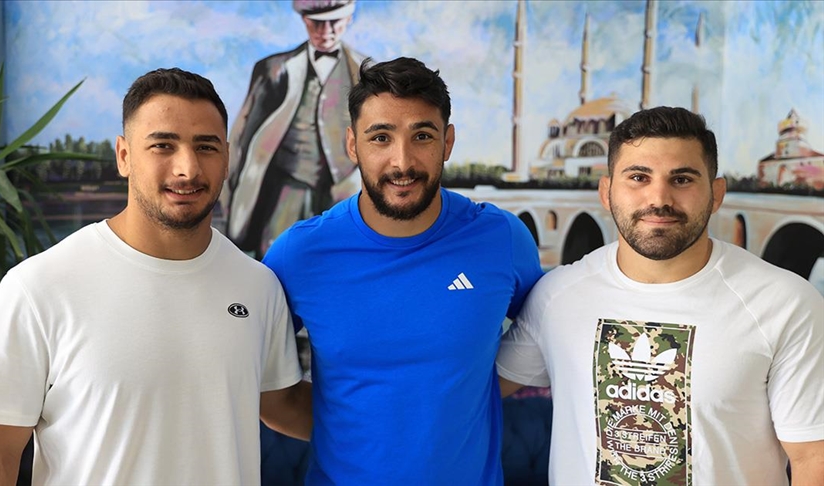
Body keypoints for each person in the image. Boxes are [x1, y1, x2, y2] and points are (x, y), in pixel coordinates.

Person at [0, 68, 311, 485]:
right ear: (124, 156)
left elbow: (280, 403)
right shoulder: (39, 286)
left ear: (228, 158)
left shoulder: (257, 285)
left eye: (206, 146)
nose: (188, 168)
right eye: (163, 145)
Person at [497, 106, 824, 484]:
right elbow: (469, 389)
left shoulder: (785, 304)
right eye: (638, 177)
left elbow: (812, 456)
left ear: (716, 194)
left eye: (682, 179)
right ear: (606, 192)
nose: (659, 198)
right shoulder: (558, 296)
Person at [262, 56, 544, 484]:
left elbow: (546, 332)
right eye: (381, 137)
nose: (402, 162)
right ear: (353, 145)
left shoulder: (502, 239)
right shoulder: (300, 254)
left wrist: (471, 392)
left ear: (447, 142)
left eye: (422, 136)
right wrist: (354, 431)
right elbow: (269, 392)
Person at [222, 0, 367, 258]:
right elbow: (243, 135)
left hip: (346, 191)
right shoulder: (273, 69)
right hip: (288, 189)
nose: (325, 31)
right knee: (276, 259)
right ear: (304, 20)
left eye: (334, 21)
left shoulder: (368, 72)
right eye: (316, 23)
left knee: (341, 261)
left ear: (349, 19)